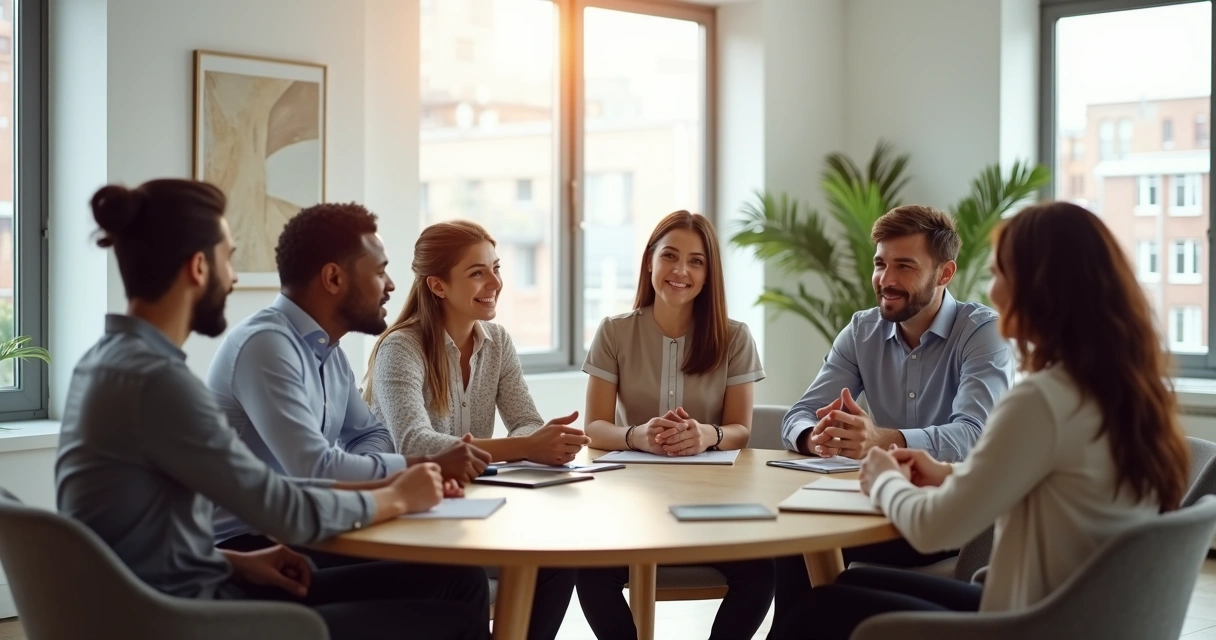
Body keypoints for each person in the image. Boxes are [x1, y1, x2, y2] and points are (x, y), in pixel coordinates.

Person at [56, 179, 491, 640]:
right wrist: (400, 494)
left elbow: (132, 538)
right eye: (230, 257)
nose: (235, 277)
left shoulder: (107, 363)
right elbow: (284, 509)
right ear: (199, 267)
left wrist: (235, 563)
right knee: (453, 610)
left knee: (453, 579)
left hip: (181, 588)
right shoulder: (158, 383)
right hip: (184, 618)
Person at [768, 200, 1191, 639]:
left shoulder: (1042, 398)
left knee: (818, 609)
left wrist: (883, 474)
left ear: (1043, 288)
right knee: (844, 586)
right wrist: (948, 471)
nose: (991, 292)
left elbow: (935, 529)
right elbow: (1044, 475)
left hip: (1031, 623)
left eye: (1000, 275)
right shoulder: (1120, 390)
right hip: (1075, 613)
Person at [207, 202, 492, 555]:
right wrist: (423, 465)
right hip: (252, 545)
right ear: (333, 278)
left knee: (452, 575)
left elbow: (371, 434)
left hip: (307, 527)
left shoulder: (329, 352)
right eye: (379, 272)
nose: (390, 286)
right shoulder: (266, 346)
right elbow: (313, 467)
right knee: (449, 580)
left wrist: (392, 478)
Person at [772, 205, 1012, 621]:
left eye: (904, 265)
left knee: (800, 553)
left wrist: (886, 440)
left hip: (946, 520)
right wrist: (818, 435)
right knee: (792, 542)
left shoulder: (982, 333)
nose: (886, 280)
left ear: (944, 274)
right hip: (871, 506)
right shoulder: (862, 330)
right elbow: (800, 413)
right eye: (881, 264)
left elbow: (975, 435)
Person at [364, 219, 581, 640]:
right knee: (470, 580)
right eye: (477, 272)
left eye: (496, 268)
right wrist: (524, 447)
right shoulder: (401, 347)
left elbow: (526, 420)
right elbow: (415, 442)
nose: (494, 282)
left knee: (557, 561)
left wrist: (544, 440)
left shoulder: (497, 342)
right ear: (438, 286)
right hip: (410, 515)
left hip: (470, 510)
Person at [577, 210, 773, 640]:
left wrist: (709, 434)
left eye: (696, 261)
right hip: (631, 502)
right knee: (589, 573)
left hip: (713, 504)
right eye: (669, 256)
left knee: (760, 574)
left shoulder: (734, 337)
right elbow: (594, 426)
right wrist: (637, 436)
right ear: (650, 261)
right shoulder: (614, 332)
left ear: (708, 273)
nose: (680, 271)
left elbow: (741, 428)